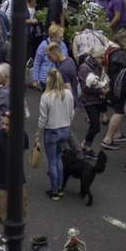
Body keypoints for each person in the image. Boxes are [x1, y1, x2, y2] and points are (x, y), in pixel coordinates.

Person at [0, 110, 28, 245]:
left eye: (7, 124)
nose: (4, 127)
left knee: (20, 209)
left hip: (18, 179)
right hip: (1, 180)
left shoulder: (23, 135)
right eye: (3, 123)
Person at [34, 68, 75, 200]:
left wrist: (37, 133)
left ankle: (54, 190)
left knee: (52, 160)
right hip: (65, 129)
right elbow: (71, 113)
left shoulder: (46, 97)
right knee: (58, 157)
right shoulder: (68, 94)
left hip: (52, 131)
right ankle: (60, 188)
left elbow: (43, 118)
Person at [101, 28, 126, 149]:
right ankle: (108, 138)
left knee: (116, 108)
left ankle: (117, 133)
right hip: (118, 87)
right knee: (119, 112)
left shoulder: (110, 49)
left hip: (110, 83)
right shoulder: (121, 54)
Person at [77, 44, 110, 159]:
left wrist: (104, 86)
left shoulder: (97, 66)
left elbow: (100, 80)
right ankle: (84, 144)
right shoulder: (84, 68)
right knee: (96, 127)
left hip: (97, 100)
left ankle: (88, 148)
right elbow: (85, 87)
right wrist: (101, 91)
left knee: (93, 125)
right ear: (95, 56)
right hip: (89, 100)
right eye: (101, 57)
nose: (102, 60)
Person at [32, 24, 68, 89]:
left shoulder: (62, 45)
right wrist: (35, 79)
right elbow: (37, 62)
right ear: (53, 37)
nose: (62, 39)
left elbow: (66, 59)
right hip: (45, 78)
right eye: (60, 37)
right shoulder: (43, 45)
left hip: (58, 78)